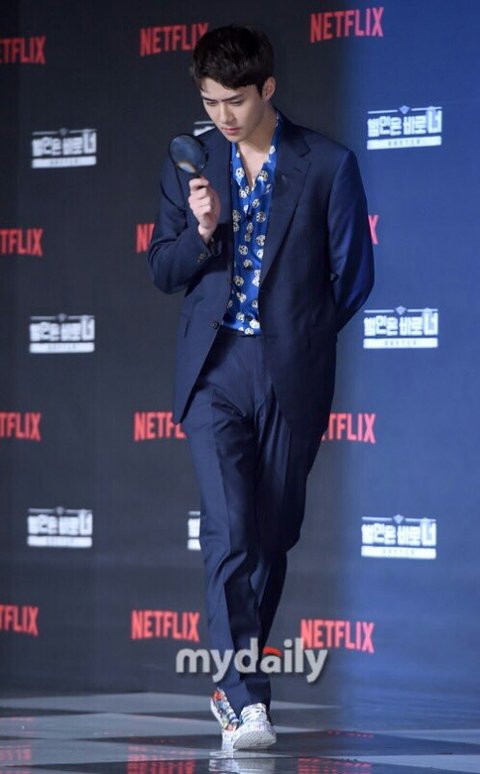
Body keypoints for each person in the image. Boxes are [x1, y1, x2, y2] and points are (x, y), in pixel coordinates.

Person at [147, 24, 374, 750]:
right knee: (230, 531)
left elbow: (353, 277)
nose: (222, 115)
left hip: (288, 372)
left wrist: (300, 336)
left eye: (236, 101)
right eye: (210, 101)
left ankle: (232, 679)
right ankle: (245, 699)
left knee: (272, 537)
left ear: (268, 88)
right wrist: (201, 232)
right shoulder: (189, 163)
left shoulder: (328, 164)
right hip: (214, 370)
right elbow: (163, 268)